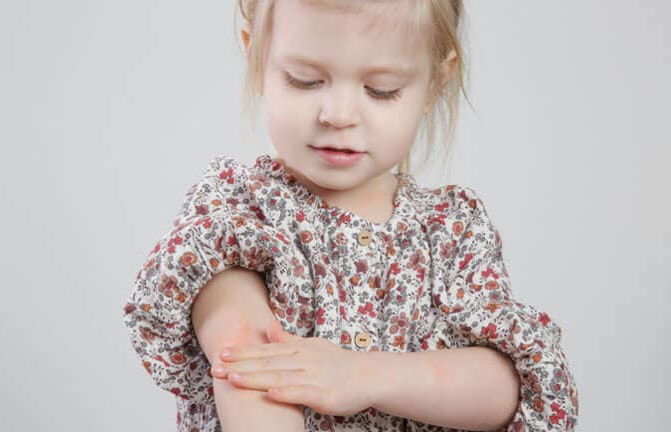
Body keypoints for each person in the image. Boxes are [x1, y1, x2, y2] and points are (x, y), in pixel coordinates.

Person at [122, 0, 579, 431]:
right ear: (256, 56)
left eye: (381, 90)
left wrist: (365, 376)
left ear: (434, 85)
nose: (338, 114)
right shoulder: (239, 216)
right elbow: (249, 368)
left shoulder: (453, 230)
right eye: (304, 79)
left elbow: (506, 388)